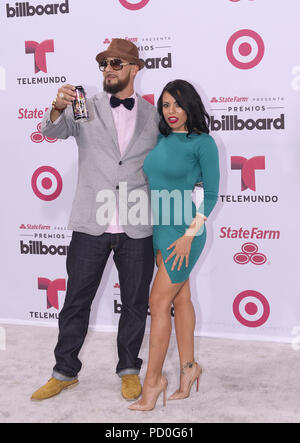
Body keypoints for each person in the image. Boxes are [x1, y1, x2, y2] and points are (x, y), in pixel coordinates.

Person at [31, 39, 159, 401]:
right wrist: (56, 107)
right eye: (104, 64)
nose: (109, 69)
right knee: (75, 301)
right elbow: (51, 131)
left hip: (137, 224)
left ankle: (129, 368)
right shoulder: (84, 106)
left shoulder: (153, 114)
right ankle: (64, 371)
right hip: (91, 222)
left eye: (117, 63)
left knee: (135, 303)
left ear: (135, 68)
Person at [128, 79, 220, 411]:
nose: (171, 111)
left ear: (190, 106)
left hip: (186, 234)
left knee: (158, 300)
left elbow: (209, 196)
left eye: (177, 104)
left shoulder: (203, 143)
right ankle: (189, 368)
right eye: (165, 105)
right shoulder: (161, 140)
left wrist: (188, 236)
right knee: (181, 300)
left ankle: (153, 383)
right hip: (160, 232)